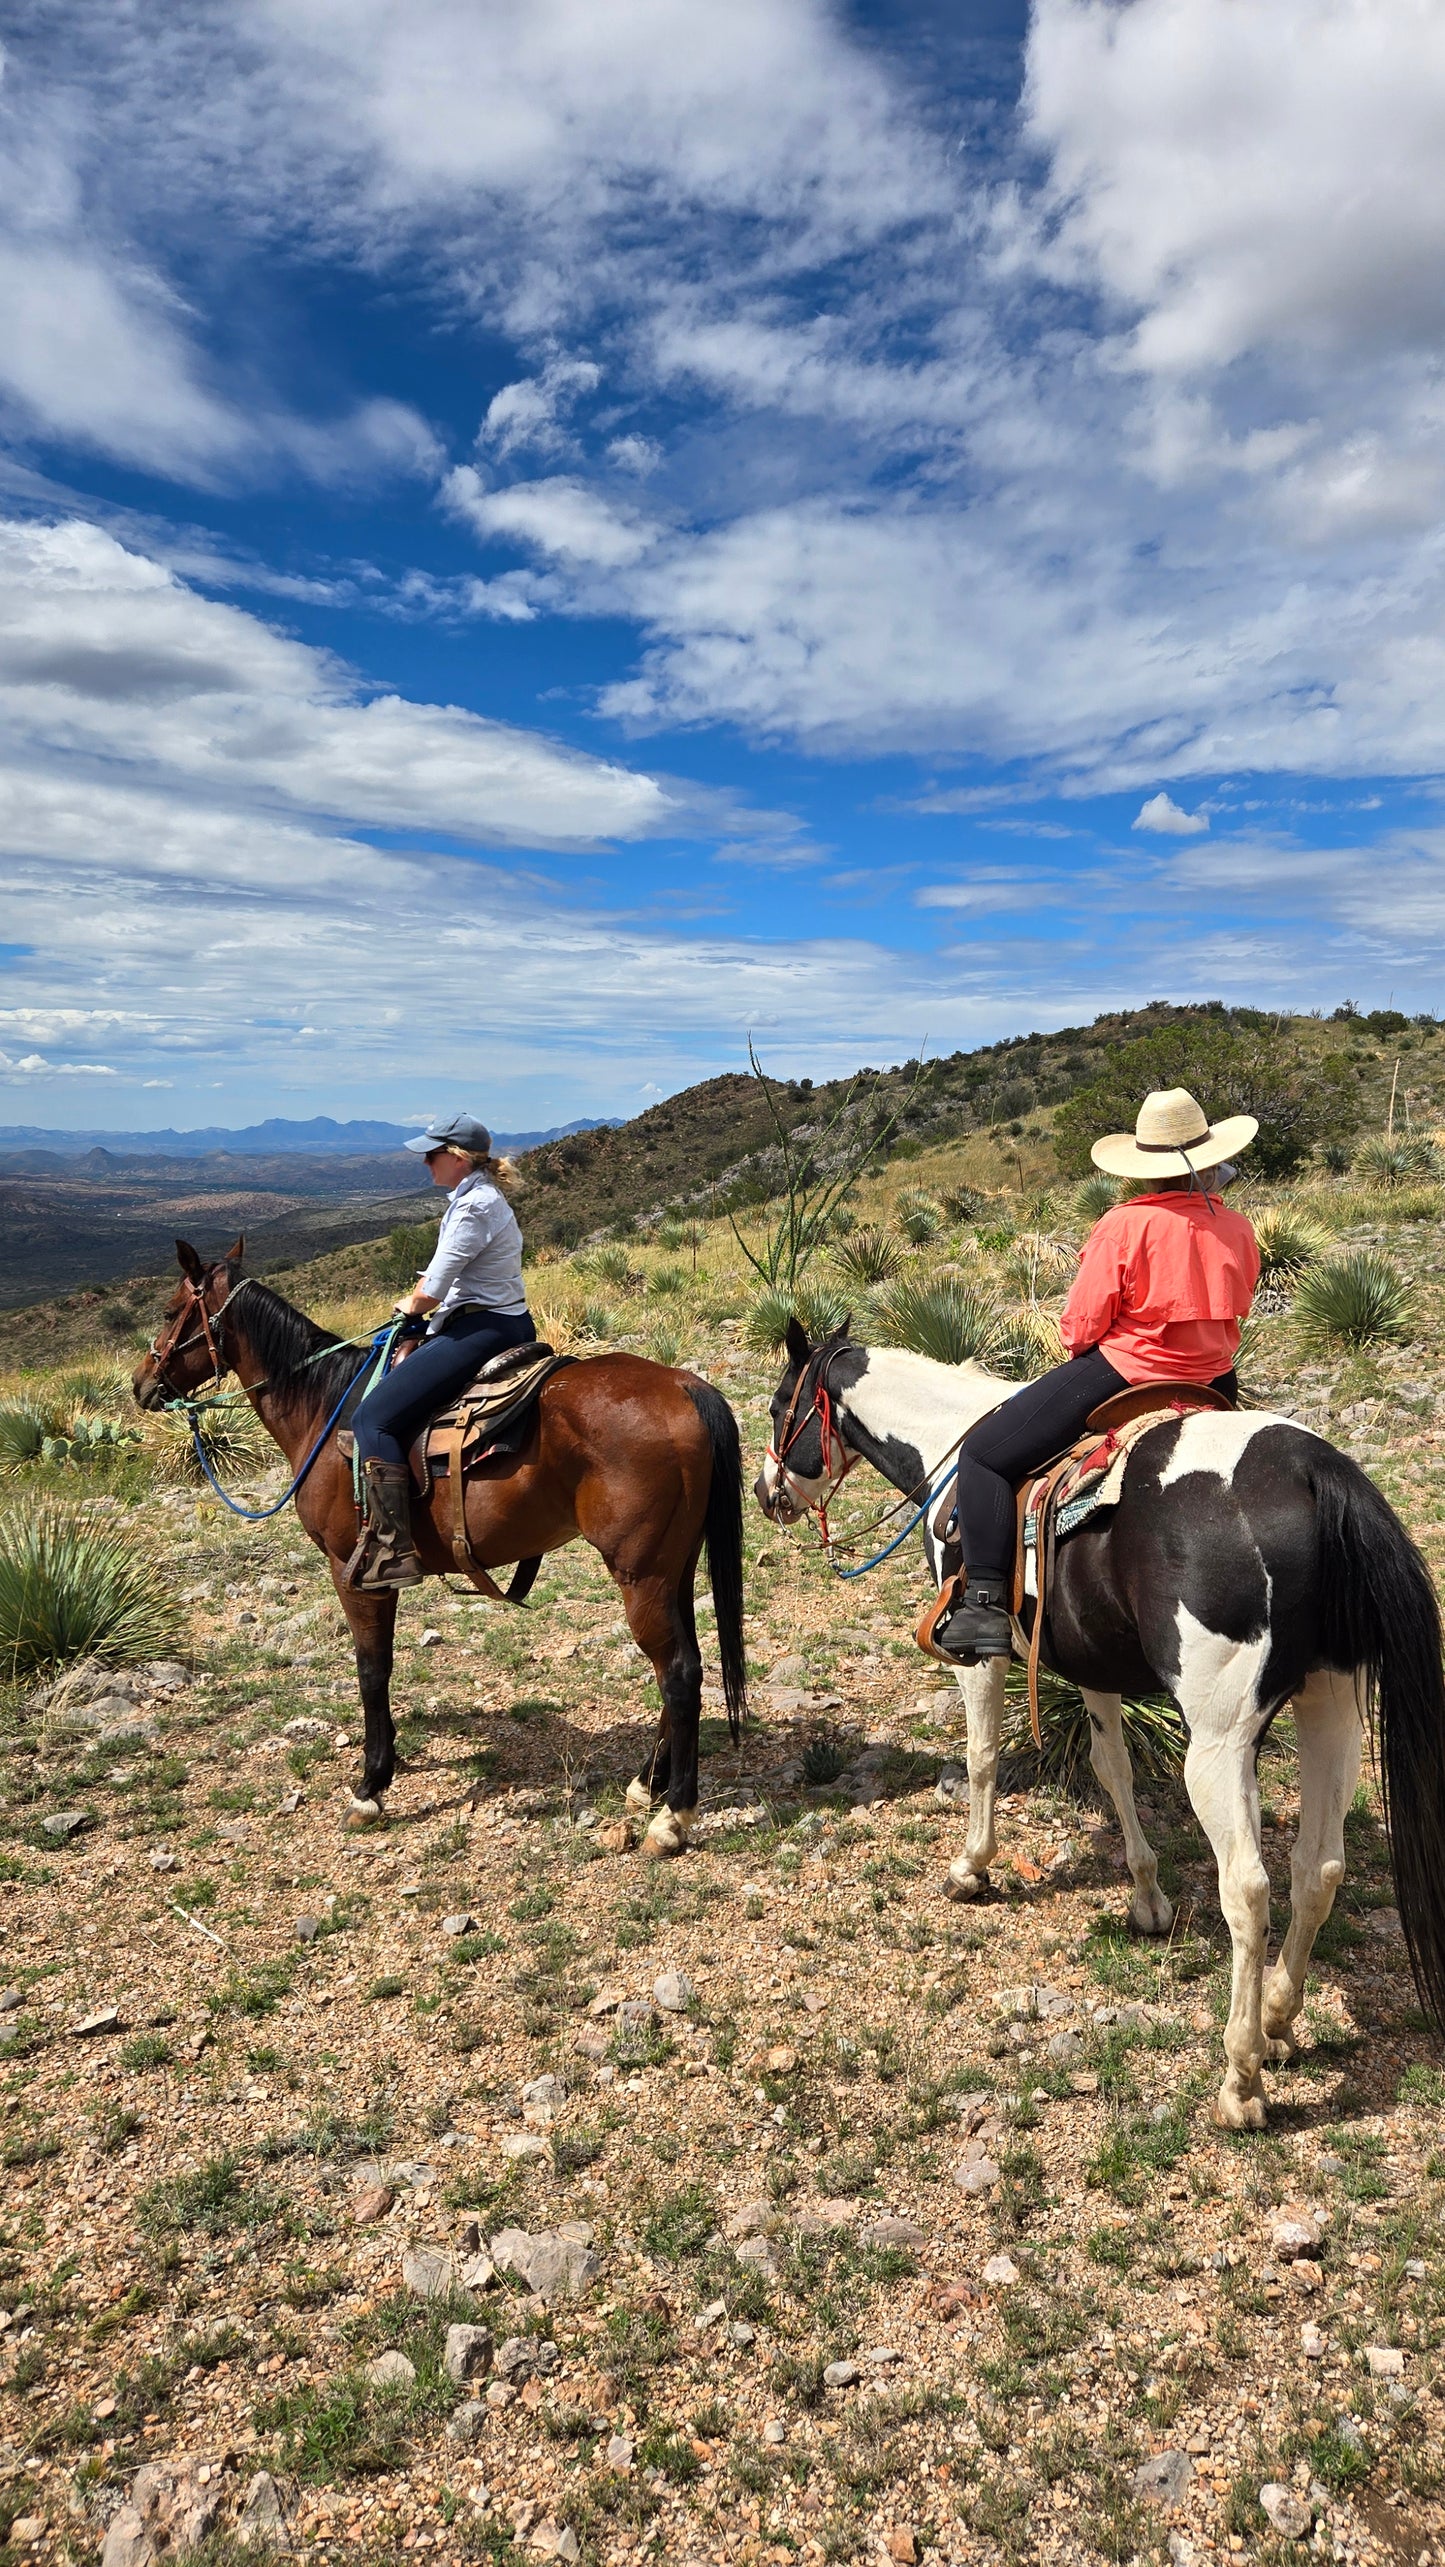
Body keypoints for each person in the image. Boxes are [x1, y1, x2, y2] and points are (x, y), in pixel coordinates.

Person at [927, 1086, 1262, 1664]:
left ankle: (983, 1604)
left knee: (983, 1455)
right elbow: (1243, 1303)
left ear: (1144, 1168)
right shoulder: (1235, 1226)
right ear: (1207, 1161)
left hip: (1127, 1373)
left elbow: (1081, 1326)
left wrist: (1089, 1342)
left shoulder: (1123, 1225)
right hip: (1215, 1380)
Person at [348, 1114, 536, 1592]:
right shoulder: (472, 1199)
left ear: (456, 1158)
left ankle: (392, 1549)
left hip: (484, 1328)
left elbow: (433, 1289)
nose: (426, 1162)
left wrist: (407, 1312)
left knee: (373, 1419)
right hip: (491, 1319)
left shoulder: (474, 1207)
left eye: (432, 1154)